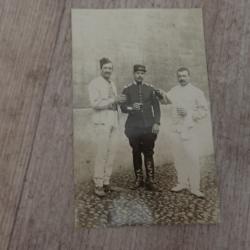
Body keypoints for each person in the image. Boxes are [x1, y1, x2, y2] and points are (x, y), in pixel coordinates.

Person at [158, 67, 208, 198]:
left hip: (190, 130)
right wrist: (160, 95)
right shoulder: (174, 90)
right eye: (179, 76)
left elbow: (204, 111)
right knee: (179, 158)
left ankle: (195, 187)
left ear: (189, 76)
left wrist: (189, 114)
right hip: (176, 130)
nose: (181, 78)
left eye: (184, 76)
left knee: (192, 159)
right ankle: (182, 183)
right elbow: (165, 101)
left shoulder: (197, 92)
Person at [88, 57, 126, 197]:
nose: (108, 71)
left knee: (112, 152)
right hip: (102, 121)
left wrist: (119, 104)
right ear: (101, 69)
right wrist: (113, 100)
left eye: (110, 68)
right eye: (105, 68)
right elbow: (95, 103)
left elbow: (114, 102)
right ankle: (98, 184)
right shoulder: (94, 83)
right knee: (102, 153)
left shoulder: (112, 83)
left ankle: (106, 182)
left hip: (113, 119)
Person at [121, 64, 161, 191]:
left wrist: (157, 123)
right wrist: (132, 107)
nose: (140, 75)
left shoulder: (150, 89)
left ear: (144, 74)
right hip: (133, 128)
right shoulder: (127, 89)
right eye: (137, 73)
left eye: (142, 73)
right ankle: (139, 179)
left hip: (148, 127)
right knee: (136, 152)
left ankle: (151, 180)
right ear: (133, 74)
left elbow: (156, 108)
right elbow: (123, 108)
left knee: (149, 152)